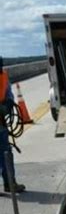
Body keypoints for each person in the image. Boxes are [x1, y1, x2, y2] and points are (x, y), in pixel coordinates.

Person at [0, 57, 25, 193]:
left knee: (5, 152)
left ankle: (10, 183)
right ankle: (10, 184)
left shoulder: (3, 77)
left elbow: (8, 94)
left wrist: (8, 103)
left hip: (1, 125)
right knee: (5, 153)